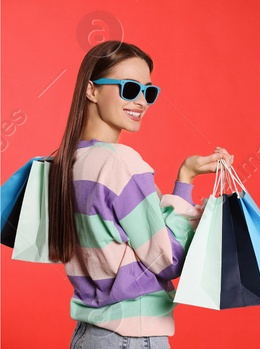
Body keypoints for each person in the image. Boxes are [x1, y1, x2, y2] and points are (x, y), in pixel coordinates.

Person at [49, 40, 233, 349]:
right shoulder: (120, 163)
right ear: (92, 90)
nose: (141, 102)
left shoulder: (64, 164)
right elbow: (166, 259)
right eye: (129, 89)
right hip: (130, 338)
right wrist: (185, 180)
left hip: (87, 336)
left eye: (148, 92)